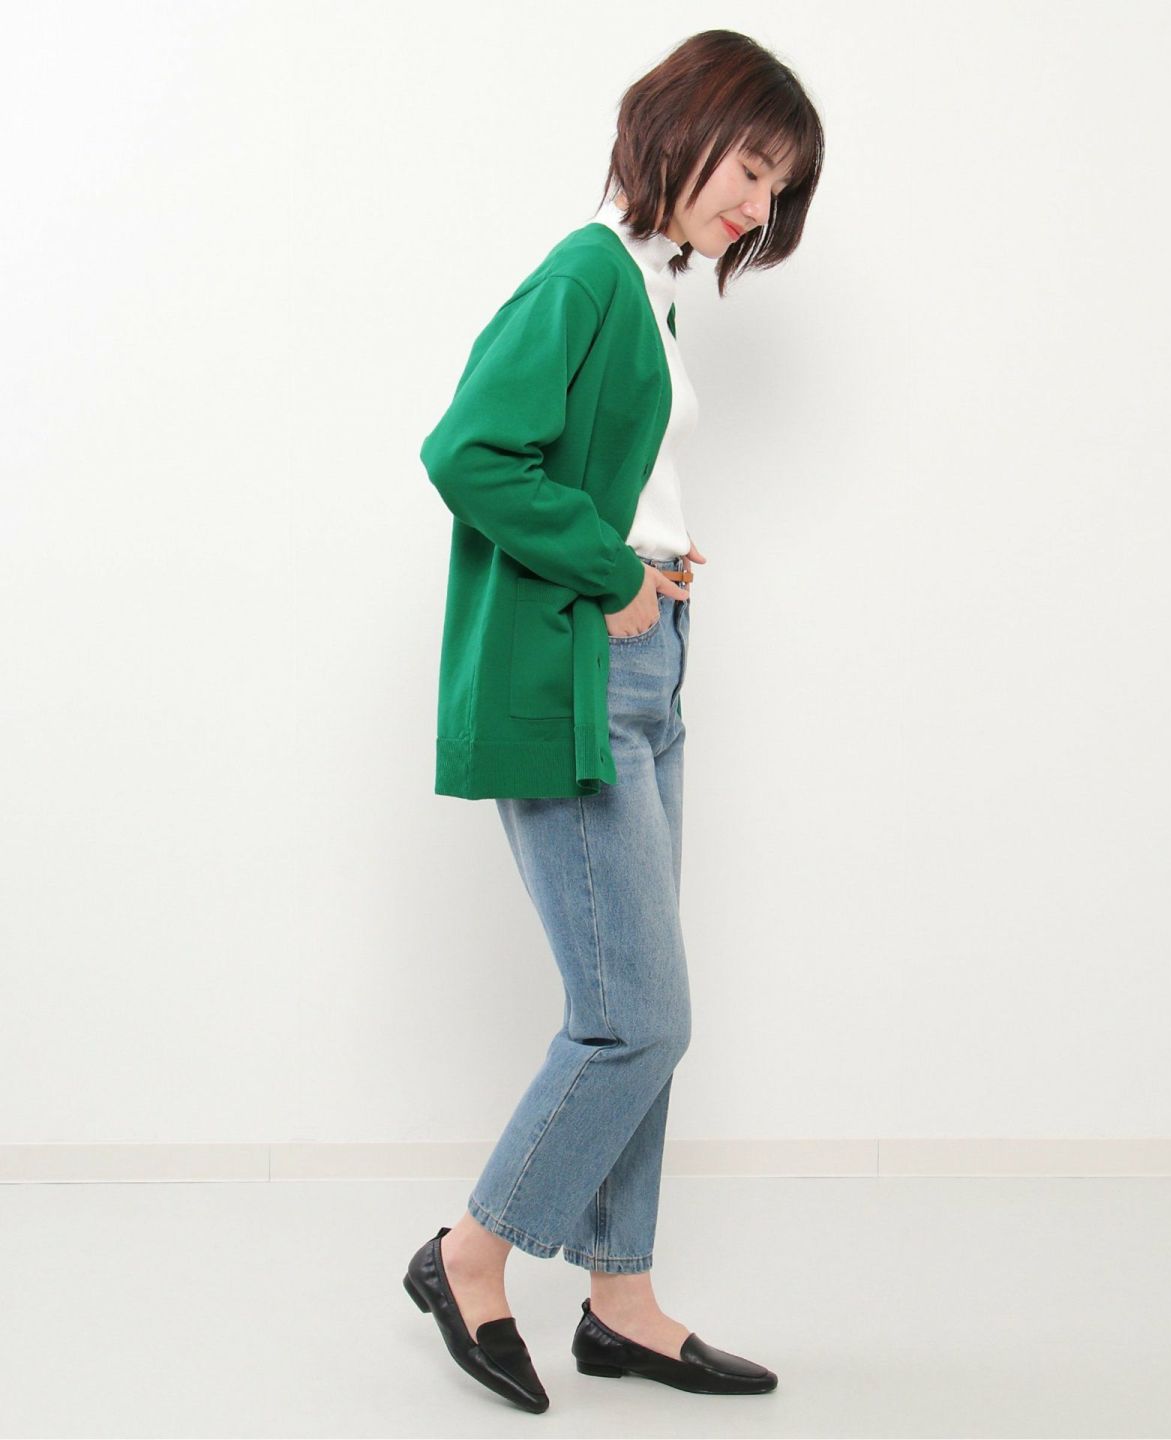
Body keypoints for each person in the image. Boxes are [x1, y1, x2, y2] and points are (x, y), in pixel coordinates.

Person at [406, 28, 824, 1414]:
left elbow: (607, 470)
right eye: (750, 170)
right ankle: (469, 1256)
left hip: (649, 668)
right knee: (637, 1017)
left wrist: (656, 565)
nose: (758, 207)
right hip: (582, 672)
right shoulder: (587, 271)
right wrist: (610, 570)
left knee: (641, 1009)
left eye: (776, 190)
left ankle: (621, 1300)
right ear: (678, 128)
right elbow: (470, 449)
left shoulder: (655, 287)